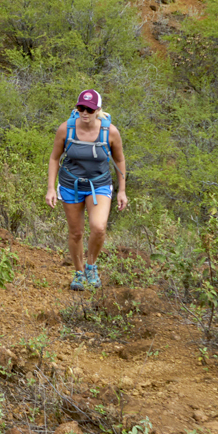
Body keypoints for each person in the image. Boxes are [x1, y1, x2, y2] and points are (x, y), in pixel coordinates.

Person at [45, 88, 128, 290]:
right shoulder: (66, 129)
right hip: (71, 184)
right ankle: (79, 272)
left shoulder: (110, 132)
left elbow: (119, 160)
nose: (85, 113)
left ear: (98, 110)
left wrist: (122, 190)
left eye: (90, 110)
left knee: (98, 227)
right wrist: (50, 188)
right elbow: (54, 158)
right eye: (81, 108)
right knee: (76, 233)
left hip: (98, 184)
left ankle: (91, 265)